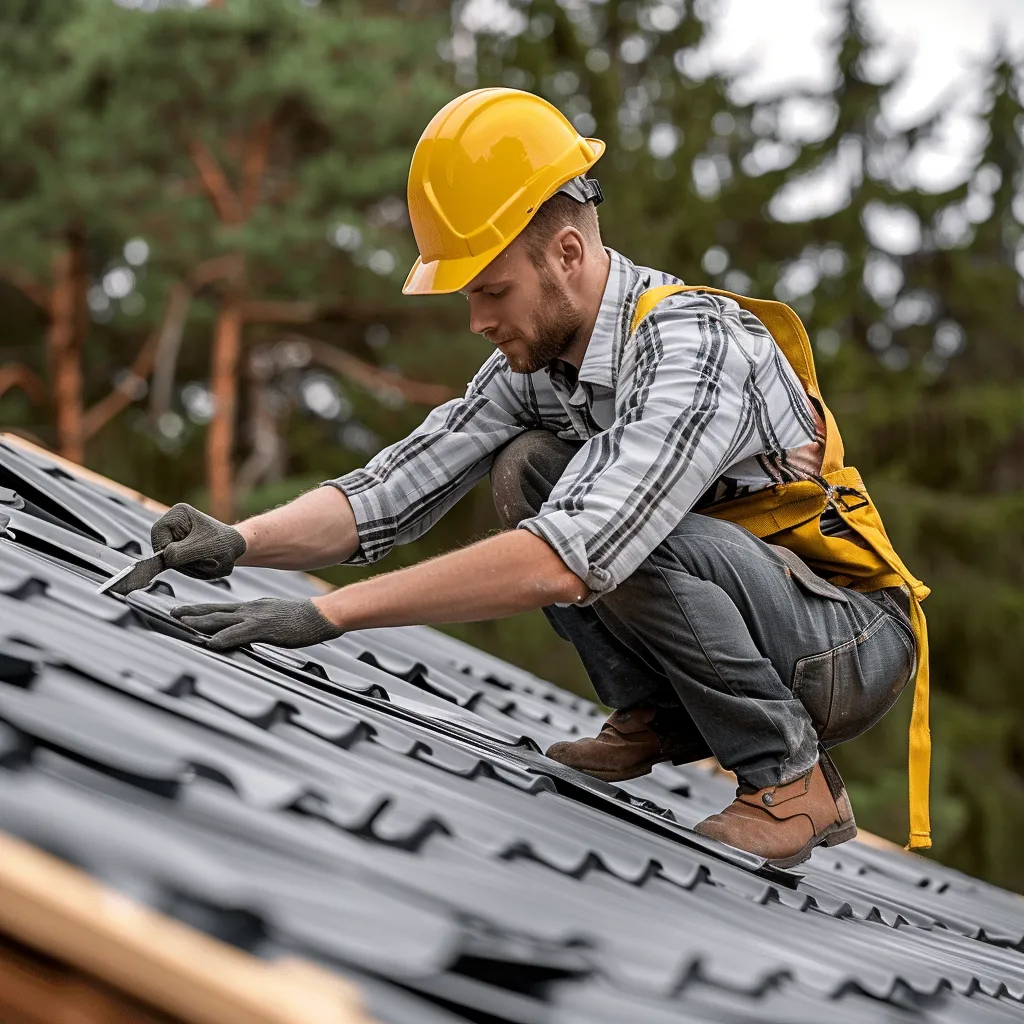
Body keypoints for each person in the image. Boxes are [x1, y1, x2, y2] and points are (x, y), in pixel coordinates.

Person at [161, 88, 931, 867]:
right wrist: (239, 541)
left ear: (566, 253)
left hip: (847, 644)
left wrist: (330, 617)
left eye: (493, 292)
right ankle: (659, 714)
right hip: (748, 598)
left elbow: (574, 555)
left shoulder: (693, 347)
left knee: (616, 531)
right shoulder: (540, 365)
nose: (478, 322)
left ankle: (791, 779)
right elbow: (393, 490)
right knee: (529, 467)